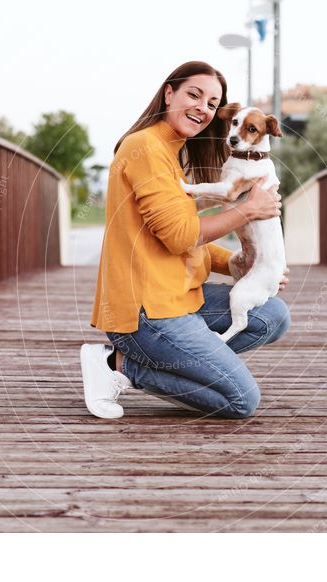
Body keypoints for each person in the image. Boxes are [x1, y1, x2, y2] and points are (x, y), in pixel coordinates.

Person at [81, 60, 290, 420]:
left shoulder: (172, 153)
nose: (203, 108)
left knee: (272, 314)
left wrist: (245, 263)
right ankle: (121, 366)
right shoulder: (145, 148)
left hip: (179, 299)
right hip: (144, 313)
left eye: (212, 103)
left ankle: (185, 359)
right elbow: (180, 237)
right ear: (168, 93)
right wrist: (248, 210)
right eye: (194, 94)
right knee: (241, 399)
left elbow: (178, 233)